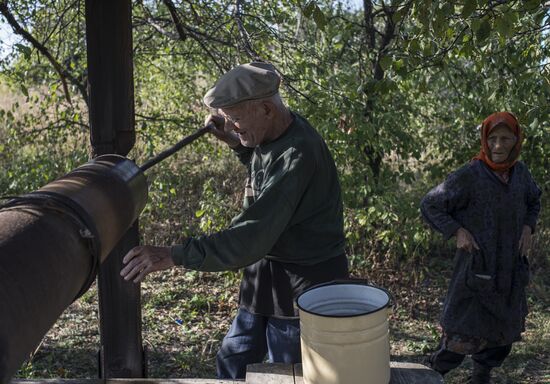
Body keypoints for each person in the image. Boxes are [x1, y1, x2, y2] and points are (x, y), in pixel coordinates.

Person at [120, 62, 349, 379]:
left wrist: (173, 254)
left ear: (266, 108)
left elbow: (250, 236)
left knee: (286, 372)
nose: (232, 126)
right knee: (234, 359)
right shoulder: (274, 134)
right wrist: (233, 139)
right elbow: (262, 163)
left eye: (237, 118)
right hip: (264, 277)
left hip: (303, 285)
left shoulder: (299, 152)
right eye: (228, 119)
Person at [420, 112, 542, 383]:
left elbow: (534, 200)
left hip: (509, 268)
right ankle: (430, 373)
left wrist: (528, 227)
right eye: (493, 139)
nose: (498, 146)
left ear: (516, 141)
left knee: (501, 332)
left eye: (505, 139)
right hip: (478, 265)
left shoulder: (520, 174)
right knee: (462, 332)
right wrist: (457, 230)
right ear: (485, 140)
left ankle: (481, 376)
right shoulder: (470, 175)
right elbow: (430, 204)